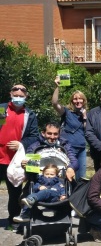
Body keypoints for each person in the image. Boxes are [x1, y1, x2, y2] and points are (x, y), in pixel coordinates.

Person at [0, 84, 38, 230]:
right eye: (16, 94)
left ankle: (13, 221)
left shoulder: (30, 114)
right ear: (10, 94)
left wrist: (21, 143)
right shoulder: (2, 109)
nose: (18, 97)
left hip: (15, 161)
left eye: (21, 96)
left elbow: (34, 136)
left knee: (15, 193)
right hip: (0, 156)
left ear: (26, 97)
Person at [52, 76, 88, 179]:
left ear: (84, 101)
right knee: (67, 177)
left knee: (81, 178)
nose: (78, 101)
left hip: (81, 149)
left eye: (80, 98)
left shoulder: (86, 115)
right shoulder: (66, 112)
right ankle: (68, 195)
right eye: (75, 99)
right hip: (68, 149)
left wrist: (84, 118)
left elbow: (87, 131)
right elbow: (55, 103)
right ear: (72, 101)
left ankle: (78, 195)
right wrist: (57, 87)